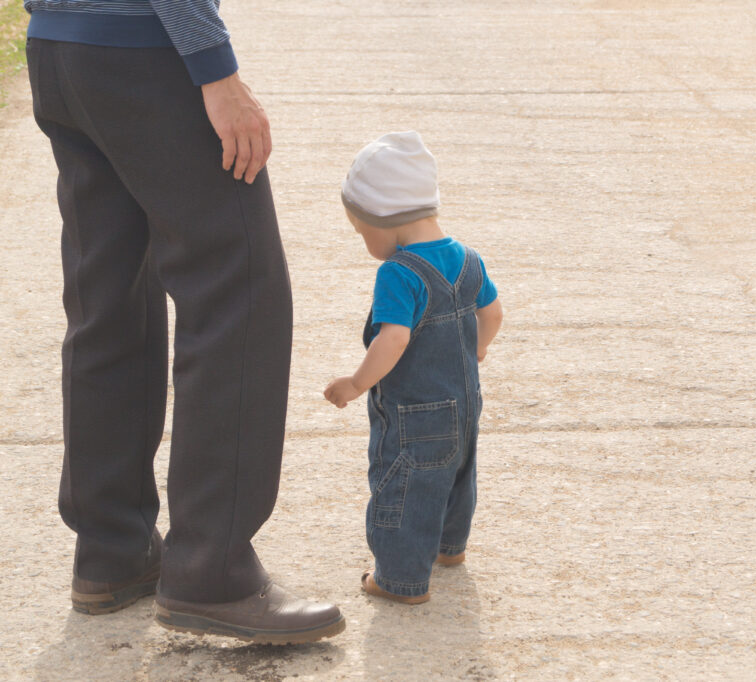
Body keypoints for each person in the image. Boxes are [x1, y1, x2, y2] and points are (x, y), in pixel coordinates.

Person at [23, 0, 344, 643]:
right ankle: (211, 571)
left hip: (60, 49)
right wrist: (215, 69)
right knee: (239, 289)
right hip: (145, 47)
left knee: (108, 298)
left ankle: (111, 551)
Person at [324, 131, 503, 604]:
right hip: (465, 403)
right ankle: (449, 548)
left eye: (362, 232)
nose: (365, 241)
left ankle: (399, 579)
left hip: (415, 412)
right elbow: (493, 314)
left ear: (384, 221)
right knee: (457, 473)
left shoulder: (399, 272)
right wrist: (478, 351)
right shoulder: (468, 259)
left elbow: (395, 337)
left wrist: (357, 383)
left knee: (403, 482)